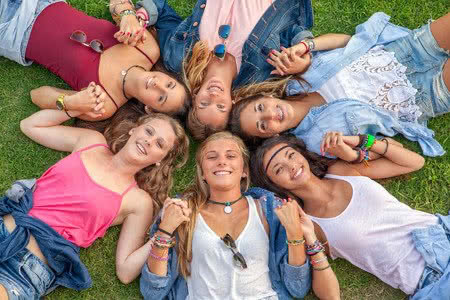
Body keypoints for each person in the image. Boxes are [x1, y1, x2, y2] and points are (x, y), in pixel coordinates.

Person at [0, 86, 189, 299]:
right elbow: (30, 125)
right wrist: (73, 105)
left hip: (25, 267)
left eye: (159, 144)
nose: (149, 141)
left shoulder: (138, 201)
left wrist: (164, 231)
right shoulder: (91, 142)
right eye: (149, 131)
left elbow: (125, 271)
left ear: (159, 160)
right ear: (133, 129)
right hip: (5, 226)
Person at [139, 132, 340, 299]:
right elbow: (152, 292)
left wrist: (295, 234)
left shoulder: (269, 210)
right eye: (212, 157)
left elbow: (297, 287)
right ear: (202, 173)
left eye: (230, 156)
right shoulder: (182, 213)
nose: (221, 162)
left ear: (244, 170)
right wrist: (165, 232)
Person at [248, 134, 450, 299]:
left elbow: (414, 163)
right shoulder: (309, 224)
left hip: (441, 233)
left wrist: (360, 143)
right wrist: (306, 236)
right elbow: (324, 294)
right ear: (274, 184)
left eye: (291, 155)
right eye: (279, 169)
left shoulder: (341, 170)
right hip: (428, 279)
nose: (291, 166)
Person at [138, 0, 313, 139]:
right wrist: (303, 54)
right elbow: (290, 30)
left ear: (195, 95)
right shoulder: (261, 72)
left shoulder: (180, 56)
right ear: (233, 103)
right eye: (221, 106)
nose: (213, 96)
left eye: (204, 103)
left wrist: (140, 16)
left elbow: (161, 12)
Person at [0, 0, 190, 121]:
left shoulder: (104, 105)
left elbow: (36, 95)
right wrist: (127, 15)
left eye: (161, 97)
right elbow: (117, 3)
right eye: (170, 84)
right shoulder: (147, 49)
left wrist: (71, 102)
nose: (158, 85)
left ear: (149, 109)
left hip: (13, 32)